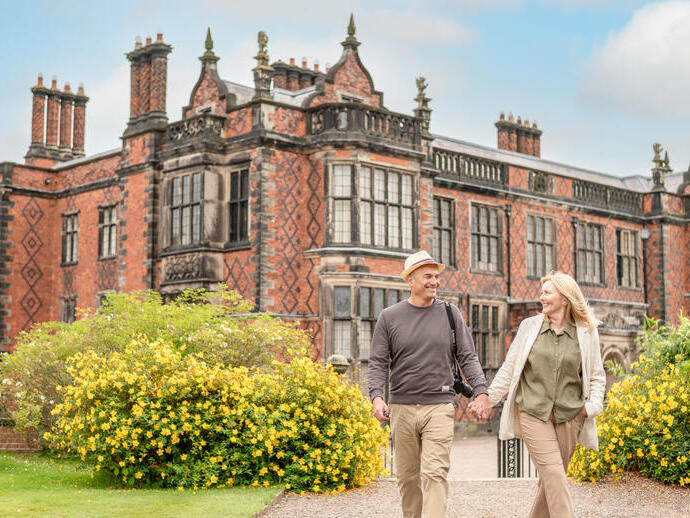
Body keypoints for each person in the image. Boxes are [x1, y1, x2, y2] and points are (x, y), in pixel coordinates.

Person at [471, 272, 606, 518]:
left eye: (547, 292)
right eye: (541, 292)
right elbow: (510, 367)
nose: (541, 297)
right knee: (554, 473)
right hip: (532, 412)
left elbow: (597, 375)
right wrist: (489, 398)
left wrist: (591, 407)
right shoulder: (529, 327)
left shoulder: (586, 332)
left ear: (564, 298)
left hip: (570, 415)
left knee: (550, 482)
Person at [368, 250, 490, 518]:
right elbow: (377, 361)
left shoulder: (450, 313)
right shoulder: (390, 317)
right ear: (410, 280)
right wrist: (377, 396)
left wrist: (481, 391)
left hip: (439, 405)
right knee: (408, 478)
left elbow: (467, 356)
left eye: (436, 276)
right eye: (428, 276)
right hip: (401, 407)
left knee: (435, 473)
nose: (434, 281)